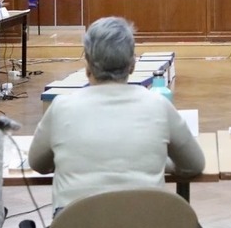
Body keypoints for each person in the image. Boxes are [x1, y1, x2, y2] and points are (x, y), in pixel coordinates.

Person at [29, 17, 204, 209]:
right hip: (145, 226)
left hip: (75, 227)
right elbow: (193, 165)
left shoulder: (61, 107)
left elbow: (38, 164)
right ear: (132, 65)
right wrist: (156, 160)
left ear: (87, 67)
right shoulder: (158, 104)